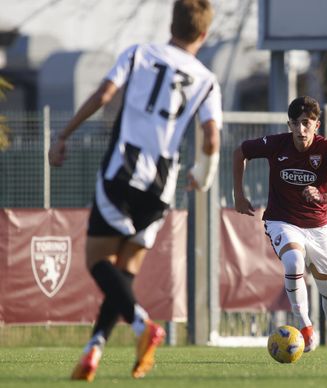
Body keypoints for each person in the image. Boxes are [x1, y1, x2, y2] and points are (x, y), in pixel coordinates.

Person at [48, 0, 222, 381]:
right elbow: (211, 138)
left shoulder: (140, 53)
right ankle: (93, 351)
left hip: (123, 169)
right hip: (162, 185)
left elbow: (103, 95)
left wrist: (63, 135)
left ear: (171, 23)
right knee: (124, 273)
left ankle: (144, 326)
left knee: (97, 260)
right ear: (205, 35)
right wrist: (204, 176)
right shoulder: (207, 80)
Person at [232, 96, 327, 363]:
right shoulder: (277, 144)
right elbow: (239, 152)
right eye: (295, 124)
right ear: (289, 125)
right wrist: (238, 195)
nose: (301, 130)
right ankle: (305, 326)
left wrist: (325, 198)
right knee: (293, 260)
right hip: (282, 220)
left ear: (316, 125)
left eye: (306, 123)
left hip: (318, 227)